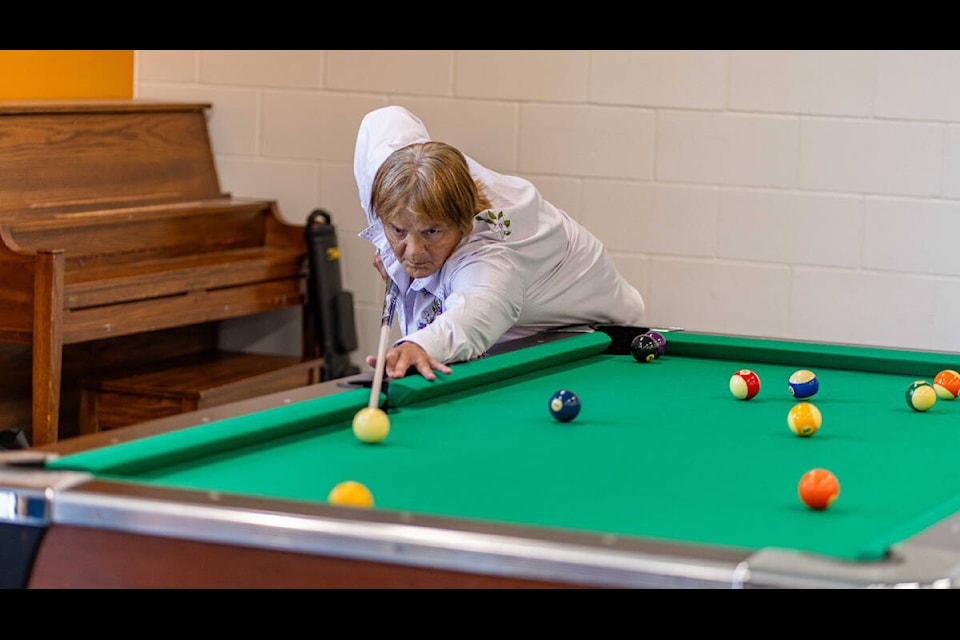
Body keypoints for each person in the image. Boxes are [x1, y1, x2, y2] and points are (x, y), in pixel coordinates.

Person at [354, 105, 646, 381]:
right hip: (520, 316)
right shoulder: (400, 170)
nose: (414, 251)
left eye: (431, 232)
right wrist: (391, 245)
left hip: (599, 336)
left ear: (463, 223)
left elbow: (475, 314)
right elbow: (382, 122)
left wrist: (419, 346)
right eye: (398, 230)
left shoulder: (492, 251)